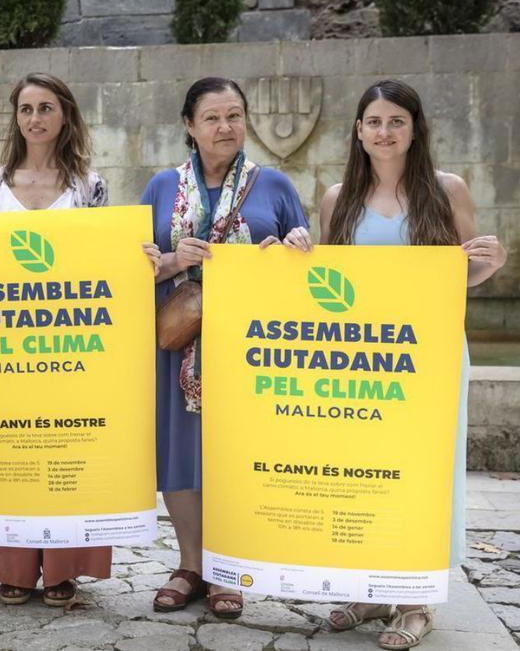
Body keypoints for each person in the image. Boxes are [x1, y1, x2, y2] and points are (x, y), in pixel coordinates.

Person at [0, 72, 160, 605]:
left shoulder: (89, 186)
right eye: (26, 109)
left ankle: (64, 567)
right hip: (6, 348)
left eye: (46, 108)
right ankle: (14, 568)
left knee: (66, 449)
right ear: (15, 117)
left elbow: (102, 264)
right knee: (10, 446)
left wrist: (138, 262)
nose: (35, 118)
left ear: (64, 115)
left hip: (67, 348)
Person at [276, 79, 508, 650]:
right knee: (362, 469)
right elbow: (323, 284)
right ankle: (369, 587)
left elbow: (465, 274)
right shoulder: (338, 199)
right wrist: (300, 245)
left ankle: (414, 601)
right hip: (360, 362)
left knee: (424, 470)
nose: (384, 131)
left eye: (396, 121)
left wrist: (492, 263)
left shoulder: (447, 189)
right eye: (374, 122)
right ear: (358, 131)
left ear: (414, 129)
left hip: (428, 357)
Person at [141, 77, 308, 619]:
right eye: (212, 117)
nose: (225, 127)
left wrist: (291, 251)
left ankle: (226, 568)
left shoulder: (274, 185)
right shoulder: (164, 187)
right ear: (189, 125)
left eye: (234, 115)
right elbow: (125, 265)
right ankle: (191, 564)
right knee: (180, 452)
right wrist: (170, 260)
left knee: (235, 455)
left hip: (252, 347)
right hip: (179, 339)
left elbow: (306, 273)